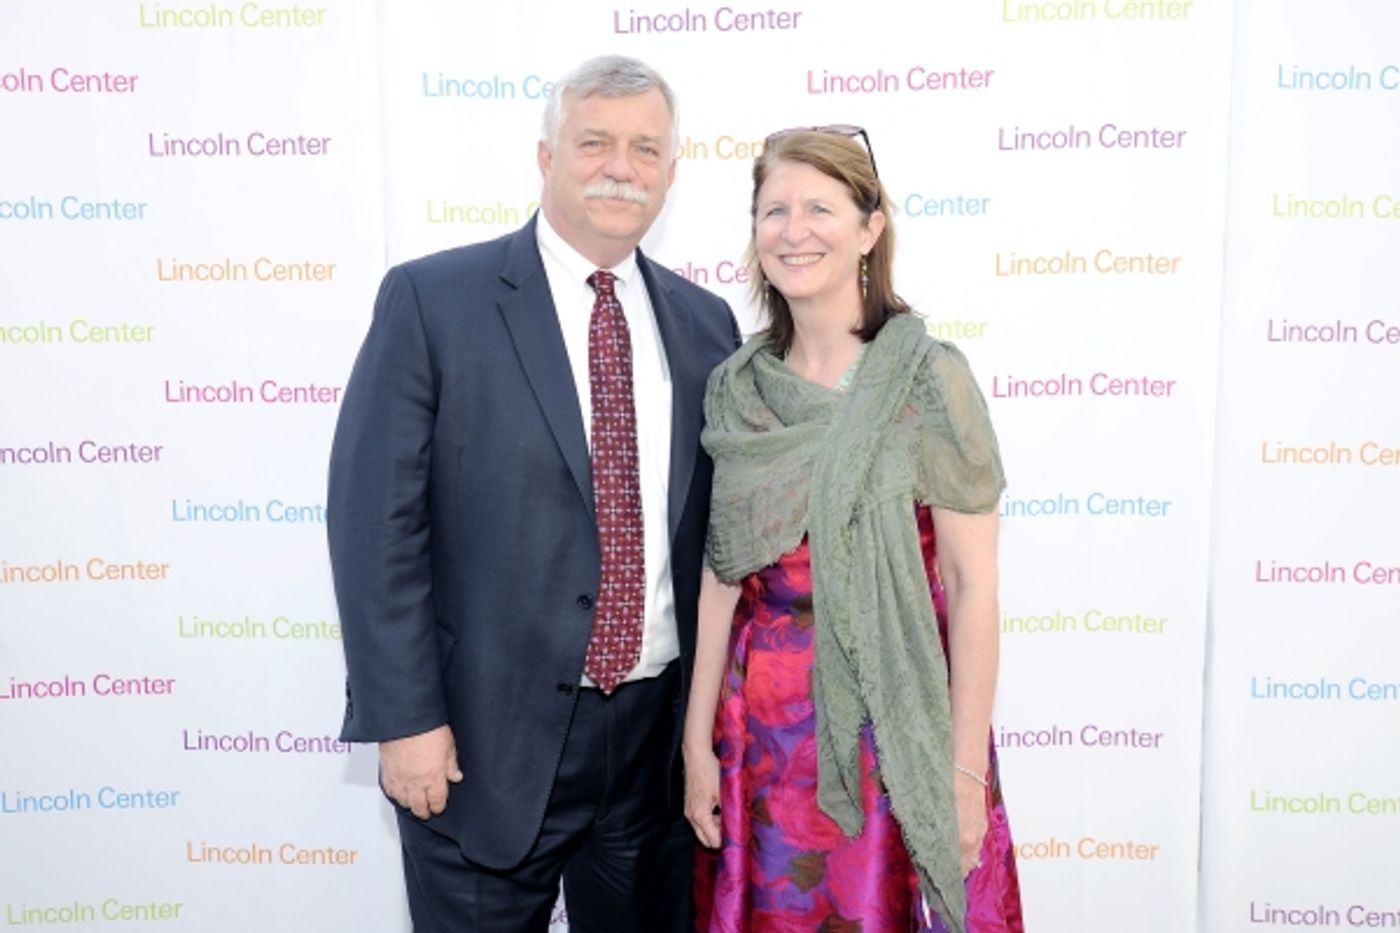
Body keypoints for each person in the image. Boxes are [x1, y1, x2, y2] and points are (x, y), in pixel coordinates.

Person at [327, 55, 740, 933]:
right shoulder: (435, 301)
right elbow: (375, 528)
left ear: (672, 170)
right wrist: (405, 721)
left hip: (651, 756)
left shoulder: (709, 326)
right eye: (593, 142)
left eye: (644, 148)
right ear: (546, 156)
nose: (620, 166)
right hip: (478, 749)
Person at [683, 127, 1024, 932]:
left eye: (819, 208)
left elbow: (973, 588)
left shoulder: (929, 378)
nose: (793, 230)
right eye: (774, 210)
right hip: (762, 742)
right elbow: (720, 578)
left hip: (896, 733)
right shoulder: (738, 388)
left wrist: (965, 773)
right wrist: (697, 743)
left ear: (871, 228)